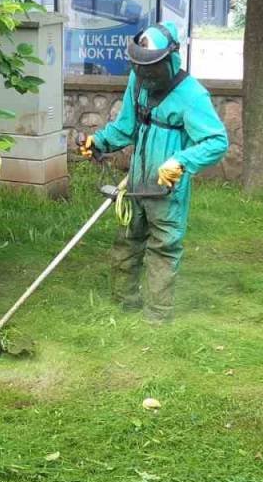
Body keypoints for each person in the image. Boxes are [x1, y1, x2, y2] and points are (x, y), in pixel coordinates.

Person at [79, 21, 228, 323]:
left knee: (163, 248)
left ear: (170, 59)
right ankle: (123, 303)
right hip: (135, 184)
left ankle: (157, 316)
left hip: (166, 188)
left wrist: (182, 162)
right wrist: (100, 141)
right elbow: (126, 127)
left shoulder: (192, 96)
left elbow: (216, 141)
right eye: (140, 67)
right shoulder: (138, 81)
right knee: (127, 241)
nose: (145, 75)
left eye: (151, 68)